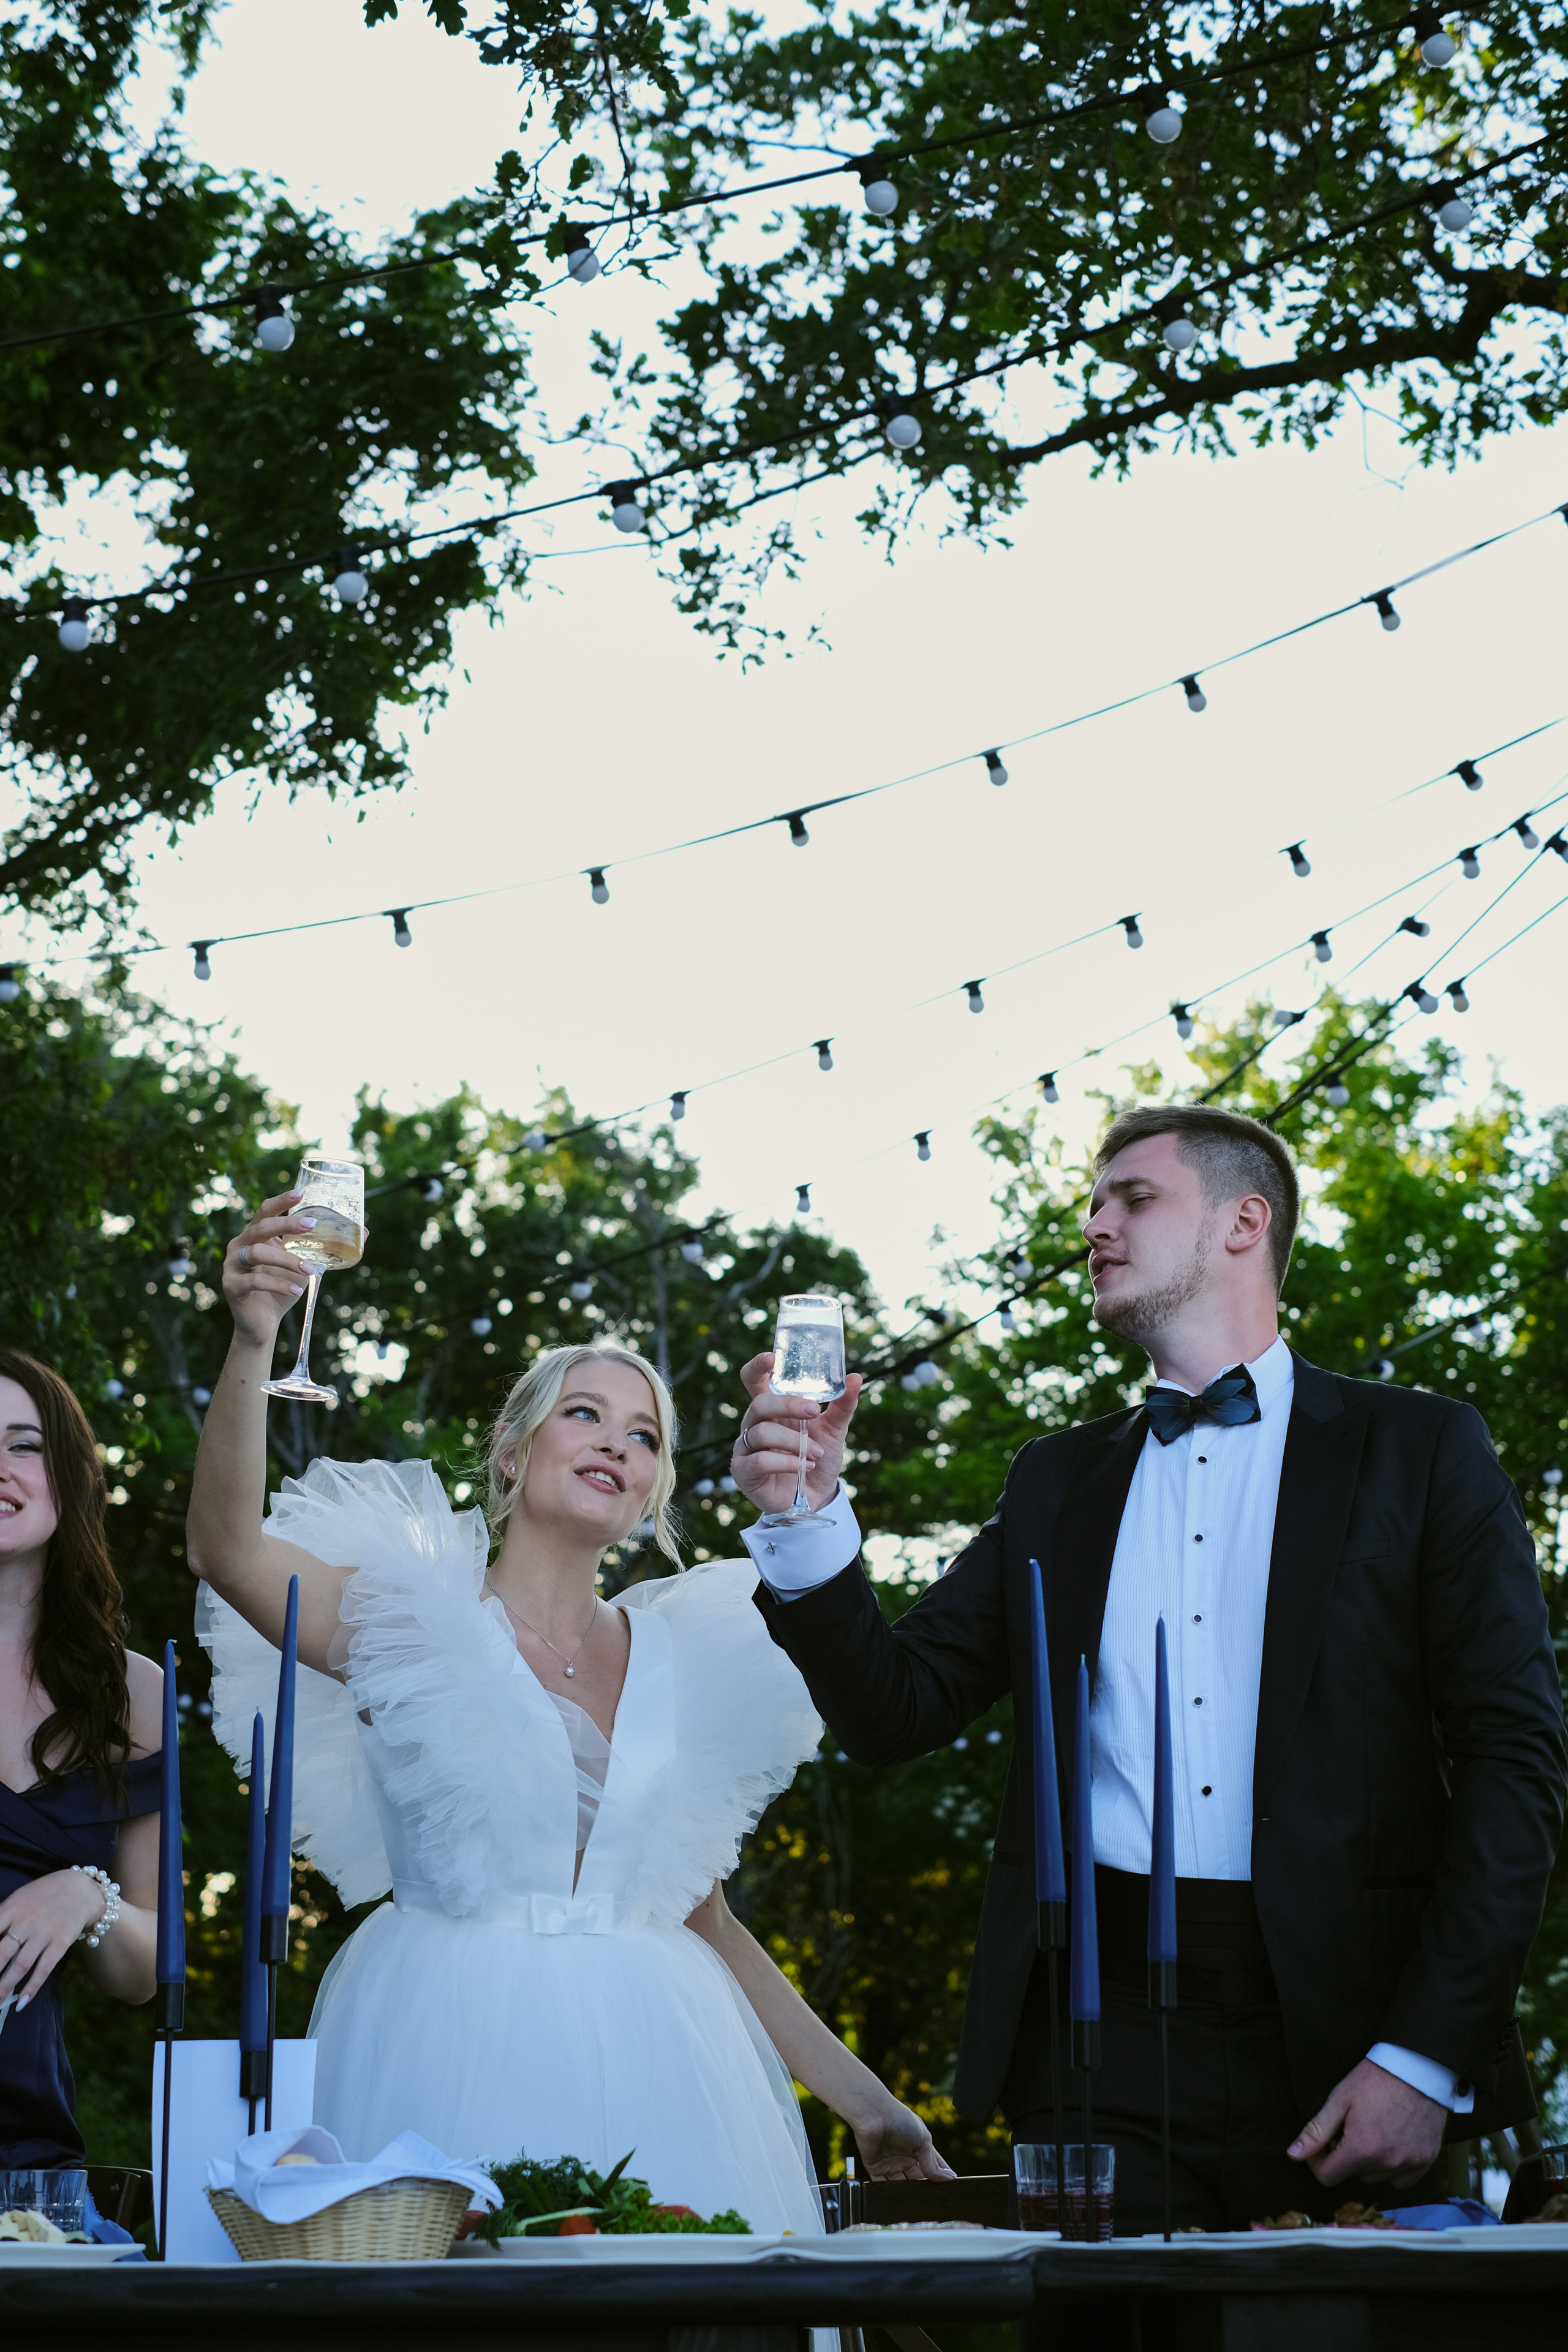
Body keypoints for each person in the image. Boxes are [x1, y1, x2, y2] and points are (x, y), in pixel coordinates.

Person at [731, 1105, 1566, 2231]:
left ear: (1243, 1221)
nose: (1095, 1226)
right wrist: (808, 1516)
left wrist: (1423, 2055)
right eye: (1092, 1203)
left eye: (1133, 1198)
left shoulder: (1421, 1449)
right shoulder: (1055, 1482)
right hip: (1096, 2038)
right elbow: (894, 1711)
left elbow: (1517, 1763)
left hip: (1346, 2034)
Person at [187, 1189, 950, 2233]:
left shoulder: (690, 1657)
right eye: (584, 1413)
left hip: (667, 2060)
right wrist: (253, 1336)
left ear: (648, 1496)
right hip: (445, 2036)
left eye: (644, 1436)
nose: (615, 1442)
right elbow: (227, 1549)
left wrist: (873, 2109)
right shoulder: (404, 1618)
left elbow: (708, 1920)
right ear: (513, 1450)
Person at [0, 1351, 162, 2166]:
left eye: (22, 1445)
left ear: (67, 1475)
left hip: (26, 2161)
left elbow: (145, 1972)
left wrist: (88, 1898)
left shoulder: (133, 1693)